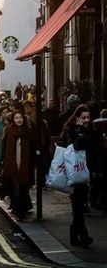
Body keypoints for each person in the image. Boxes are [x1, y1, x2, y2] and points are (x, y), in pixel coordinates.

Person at [62, 105, 95, 247]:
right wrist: (80, 132)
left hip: (87, 170)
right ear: (77, 118)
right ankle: (83, 236)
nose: (86, 120)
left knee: (80, 206)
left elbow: (94, 150)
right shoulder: (71, 130)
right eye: (83, 118)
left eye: (88, 117)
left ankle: (74, 234)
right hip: (75, 172)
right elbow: (73, 147)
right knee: (79, 206)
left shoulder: (92, 130)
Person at [1, 111, 35, 221]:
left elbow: (33, 148)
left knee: (23, 189)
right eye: (16, 118)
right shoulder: (10, 130)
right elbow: (5, 148)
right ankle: (19, 211)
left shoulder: (28, 131)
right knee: (16, 189)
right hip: (12, 164)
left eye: (20, 118)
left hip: (25, 165)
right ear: (13, 120)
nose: (19, 120)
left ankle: (22, 211)